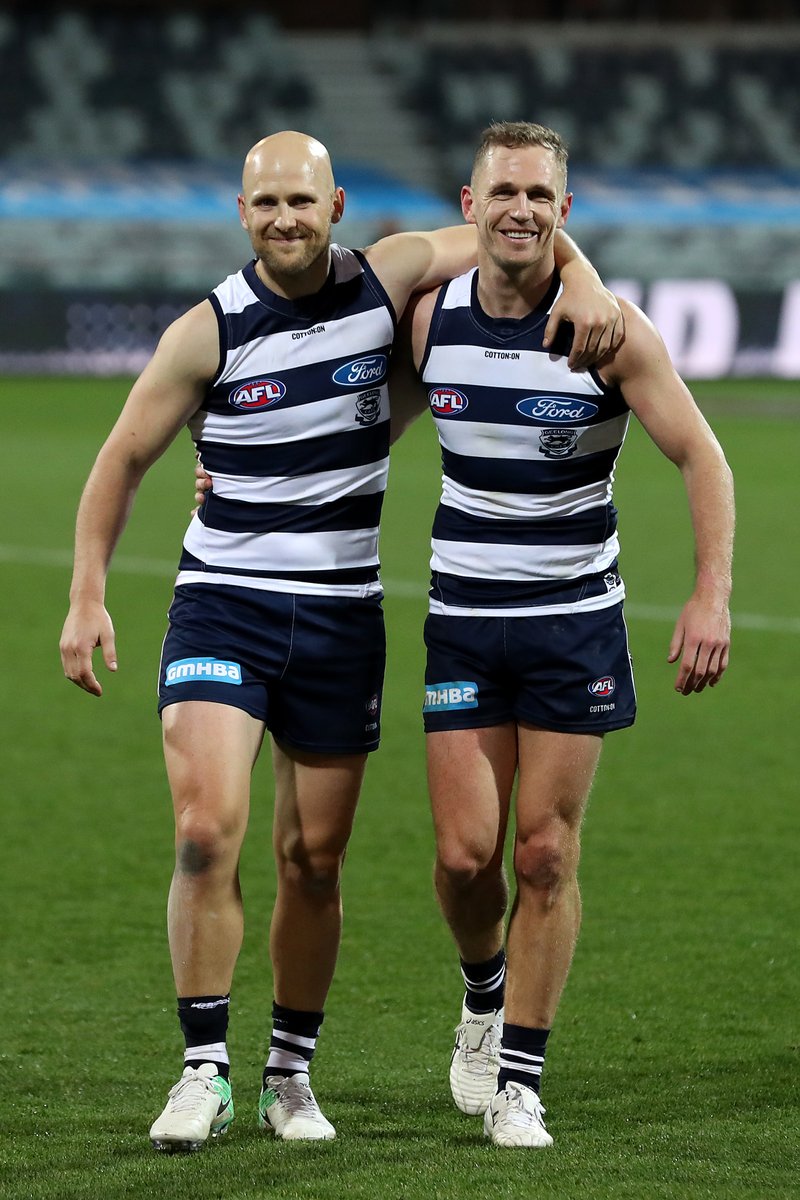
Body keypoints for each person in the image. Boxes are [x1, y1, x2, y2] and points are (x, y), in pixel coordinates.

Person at [58, 129, 622, 1153]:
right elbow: (122, 456)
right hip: (221, 604)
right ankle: (200, 1071)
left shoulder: (387, 279)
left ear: (336, 207)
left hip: (338, 616)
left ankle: (287, 1074)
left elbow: (513, 230)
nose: (283, 218)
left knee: (312, 860)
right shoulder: (208, 330)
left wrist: (581, 277)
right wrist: (86, 594)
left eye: (301, 202)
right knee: (204, 828)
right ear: (241, 213)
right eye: (265, 202)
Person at [393, 121, 735, 1148]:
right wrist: (237, 469)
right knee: (463, 860)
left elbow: (701, 458)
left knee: (541, 855)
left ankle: (521, 1083)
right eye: (503, 191)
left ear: (563, 212)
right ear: (469, 204)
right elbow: (366, 422)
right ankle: (480, 996)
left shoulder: (605, 332)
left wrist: (708, 593)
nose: (520, 210)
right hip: (461, 620)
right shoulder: (424, 321)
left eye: (540, 195)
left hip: (571, 626)